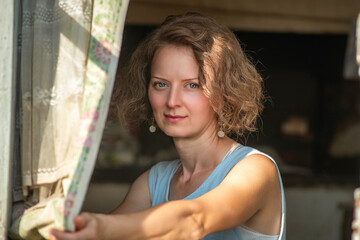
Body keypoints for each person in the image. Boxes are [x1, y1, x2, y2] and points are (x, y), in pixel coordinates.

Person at [50, 12, 286, 240]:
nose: (172, 101)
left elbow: (194, 222)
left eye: (191, 85)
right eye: (161, 84)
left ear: (223, 93)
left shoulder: (256, 169)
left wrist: (102, 227)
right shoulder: (153, 182)